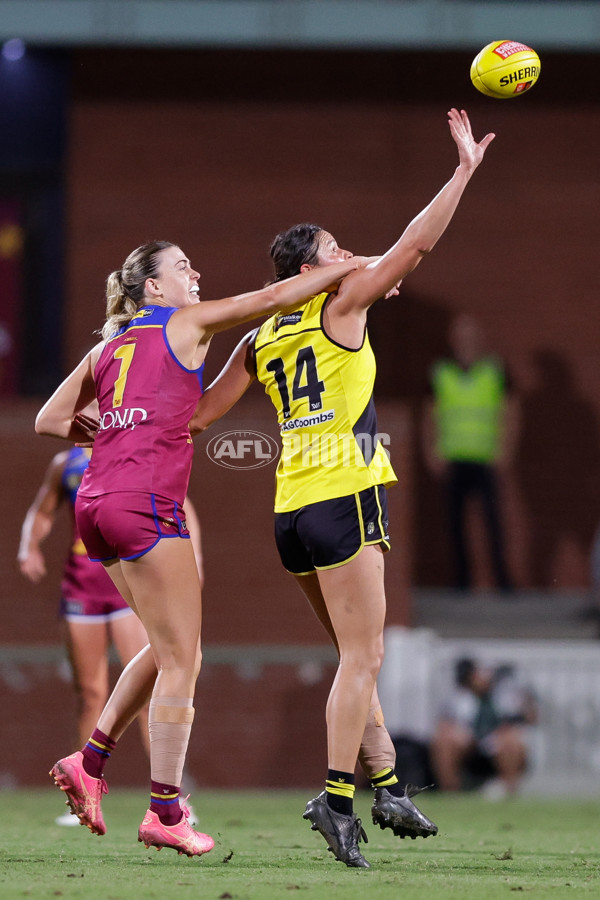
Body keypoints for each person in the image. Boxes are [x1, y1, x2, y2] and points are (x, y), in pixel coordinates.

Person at [188, 108, 495, 867]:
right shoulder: (340, 305)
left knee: (355, 658)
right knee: (362, 659)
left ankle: (387, 783)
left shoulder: (263, 333)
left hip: (291, 510)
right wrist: (461, 173)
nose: (351, 256)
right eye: (335, 250)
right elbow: (417, 243)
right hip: (346, 494)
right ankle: (335, 798)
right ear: (308, 271)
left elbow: (200, 415)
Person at [35, 241, 360, 857]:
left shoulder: (108, 346)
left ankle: (90, 763)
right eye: (182, 267)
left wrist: (103, 430)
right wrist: (351, 266)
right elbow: (271, 299)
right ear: (153, 289)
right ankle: (164, 810)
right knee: (187, 658)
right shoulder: (184, 321)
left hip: (96, 508)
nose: (196, 274)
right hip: (145, 503)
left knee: (165, 648)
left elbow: (48, 421)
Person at [17, 440, 202, 826]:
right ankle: (83, 793)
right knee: (90, 694)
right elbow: (42, 509)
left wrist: (193, 559)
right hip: (81, 585)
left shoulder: (134, 454)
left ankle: (170, 792)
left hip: (124, 581)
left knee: (153, 681)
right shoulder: (66, 464)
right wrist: (29, 546)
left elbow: (180, 505)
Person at [422, 313, 519, 592]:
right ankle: (461, 583)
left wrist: (506, 449)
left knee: (494, 524)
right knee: (454, 526)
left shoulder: (495, 370)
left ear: (481, 339)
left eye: (472, 335)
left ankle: (502, 582)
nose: (468, 341)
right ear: (454, 339)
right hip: (452, 458)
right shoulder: (441, 372)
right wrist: (430, 450)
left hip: (487, 458)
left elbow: (511, 411)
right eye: (462, 336)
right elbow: (428, 415)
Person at [429, 657, 537, 797]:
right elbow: (445, 724)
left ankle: (509, 792)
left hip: (498, 743)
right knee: (445, 740)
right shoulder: (458, 698)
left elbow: (529, 717)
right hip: (468, 743)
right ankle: (450, 793)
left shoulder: (505, 696)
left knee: (511, 740)